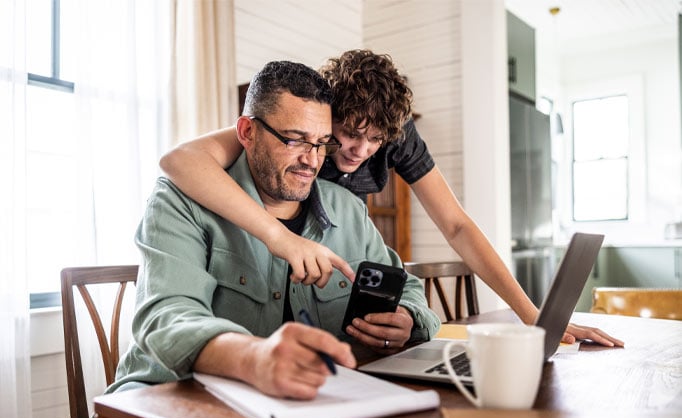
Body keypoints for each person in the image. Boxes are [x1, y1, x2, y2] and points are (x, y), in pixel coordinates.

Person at [160, 49, 624, 348]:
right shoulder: (294, 134)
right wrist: (279, 238)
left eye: (376, 140)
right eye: (344, 136)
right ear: (327, 115)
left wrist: (534, 317)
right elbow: (181, 160)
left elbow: (457, 225)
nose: (359, 152)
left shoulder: (373, 168)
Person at [90, 60, 441, 418]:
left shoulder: (348, 209)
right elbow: (167, 320)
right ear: (247, 132)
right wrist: (255, 358)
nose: (312, 159)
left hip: (296, 416)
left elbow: (406, 285)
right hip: (156, 411)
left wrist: (409, 318)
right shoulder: (179, 200)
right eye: (294, 139)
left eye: (322, 142)